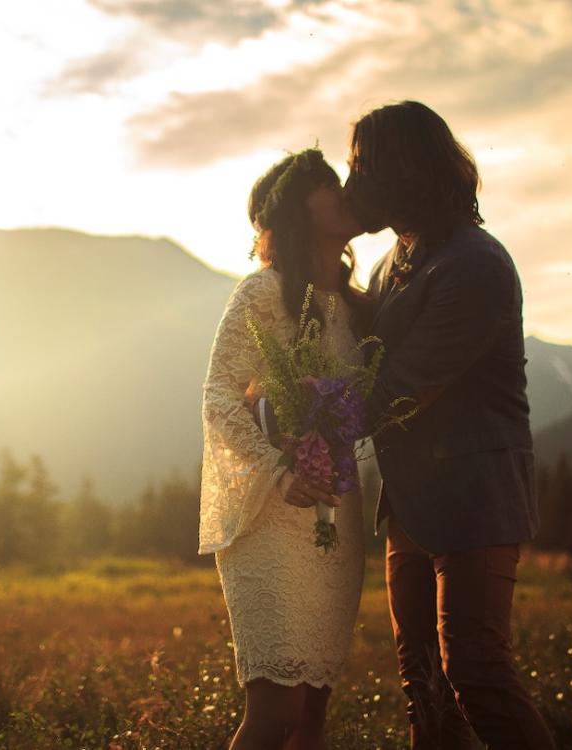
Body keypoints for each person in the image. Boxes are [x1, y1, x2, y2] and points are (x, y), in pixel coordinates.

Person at [344, 100, 556, 749]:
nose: (351, 186)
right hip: (410, 505)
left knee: (476, 671)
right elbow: (374, 335)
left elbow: (400, 390)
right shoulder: (397, 260)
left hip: (473, 501)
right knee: (424, 686)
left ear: (401, 172)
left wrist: (289, 416)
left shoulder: (475, 265)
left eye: (361, 169)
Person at [198, 147, 370, 750]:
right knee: (274, 716)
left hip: (335, 521)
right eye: (327, 183)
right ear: (298, 209)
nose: (344, 190)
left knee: (313, 720)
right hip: (273, 516)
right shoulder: (262, 294)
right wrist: (278, 470)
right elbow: (220, 396)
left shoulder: (357, 306)